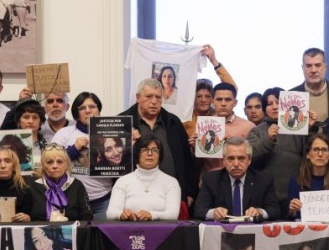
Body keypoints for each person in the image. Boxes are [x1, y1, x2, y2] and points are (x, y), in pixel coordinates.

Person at [121, 79, 198, 211]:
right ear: (138, 98)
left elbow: (187, 161)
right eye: (149, 97)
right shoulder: (122, 122)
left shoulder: (174, 122)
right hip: (135, 196)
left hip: (172, 196)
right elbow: (113, 161)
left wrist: (189, 192)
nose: (154, 101)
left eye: (158, 97)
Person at [248, 87, 315, 215]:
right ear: (264, 109)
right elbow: (249, 157)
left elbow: (312, 155)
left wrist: (309, 129)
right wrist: (268, 139)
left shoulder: (298, 129)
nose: (274, 107)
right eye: (269, 104)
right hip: (266, 195)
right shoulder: (257, 130)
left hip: (295, 193)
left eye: (278, 103)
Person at [51, 91, 113, 217]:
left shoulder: (112, 133)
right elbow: (50, 162)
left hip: (103, 199)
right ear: (76, 113)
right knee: (77, 236)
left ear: (99, 110)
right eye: (82, 108)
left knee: (103, 236)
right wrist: (74, 149)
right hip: (72, 199)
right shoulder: (64, 133)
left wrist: (130, 143)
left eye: (92, 106)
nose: (88, 111)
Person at [194, 137, 281, 221]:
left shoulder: (264, 180)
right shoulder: (211, 179)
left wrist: (260, 212)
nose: (236, 164)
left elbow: (275, 210)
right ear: (224, 161)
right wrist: (213, 213)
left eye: (241, 158)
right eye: (231, 158)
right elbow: (198, 210)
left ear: (249, 160)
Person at [108, 134, 181, 221]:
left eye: (155, 150)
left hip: (162, 232)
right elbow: (110, 213)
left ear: (160, 155)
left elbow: (173, 215)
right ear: (137, 153)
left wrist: (152, 215)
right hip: (129, 231)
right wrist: (121, 214)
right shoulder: (123, 181)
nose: (150, 154)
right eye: (145, 150)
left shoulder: (171, 182)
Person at [198, 83, 256, 173]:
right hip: (209, 180)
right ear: (212, 102)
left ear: (235, 103)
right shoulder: (202, 125)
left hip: (238, 180)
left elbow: (253, 159)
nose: (223, 104)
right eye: (219, 99)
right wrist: (194, 148)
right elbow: (195, 161)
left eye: (228, 100)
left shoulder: (249, 126)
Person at [182, 45, 237, 136]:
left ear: (212, 99)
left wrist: (214, 61)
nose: (203, 100)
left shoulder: (218, 115)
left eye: (207, 96)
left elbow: (232, 88)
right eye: (199, 96)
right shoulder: (185, 117)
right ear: (192, 98)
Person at [29, 144, 93, 221]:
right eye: (49, 162)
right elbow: (27, 216)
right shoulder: (34, 186)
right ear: (43, 166)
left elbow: (86, 217)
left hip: (72, 232)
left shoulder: (76, 185)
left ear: (66, 164)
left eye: (59, 162)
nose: (55, 166)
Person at [290, 48, 329, 123]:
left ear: (325, 67)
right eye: (308, 66)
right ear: (303, 68)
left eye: (318, 65)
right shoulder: (291, 96)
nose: (313, 70)